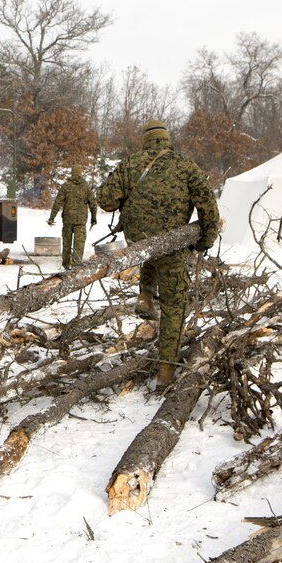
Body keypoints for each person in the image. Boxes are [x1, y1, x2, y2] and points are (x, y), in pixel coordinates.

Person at [97, 120, 220, 388]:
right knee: (175, 306)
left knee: (149, 249)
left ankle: (145, 294)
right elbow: (208, 207)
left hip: (139, 244)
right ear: (167, 139)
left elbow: (105, 200)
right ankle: (166, 373)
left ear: (145, 140)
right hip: (173, 246)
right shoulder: (185, 164)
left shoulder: (130, 163)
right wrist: (205, 241)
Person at [47, 164, 97, 269]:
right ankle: (76, 266)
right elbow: (93, 204)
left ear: (72, 173)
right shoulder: (86, 187)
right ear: (80, 173)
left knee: (66, 244)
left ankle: (66, 265)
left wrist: (52, 217)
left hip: (67, 220)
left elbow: (57, 203)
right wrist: (93, 218)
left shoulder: (66, 186)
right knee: (79, 245)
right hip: (81, 221)